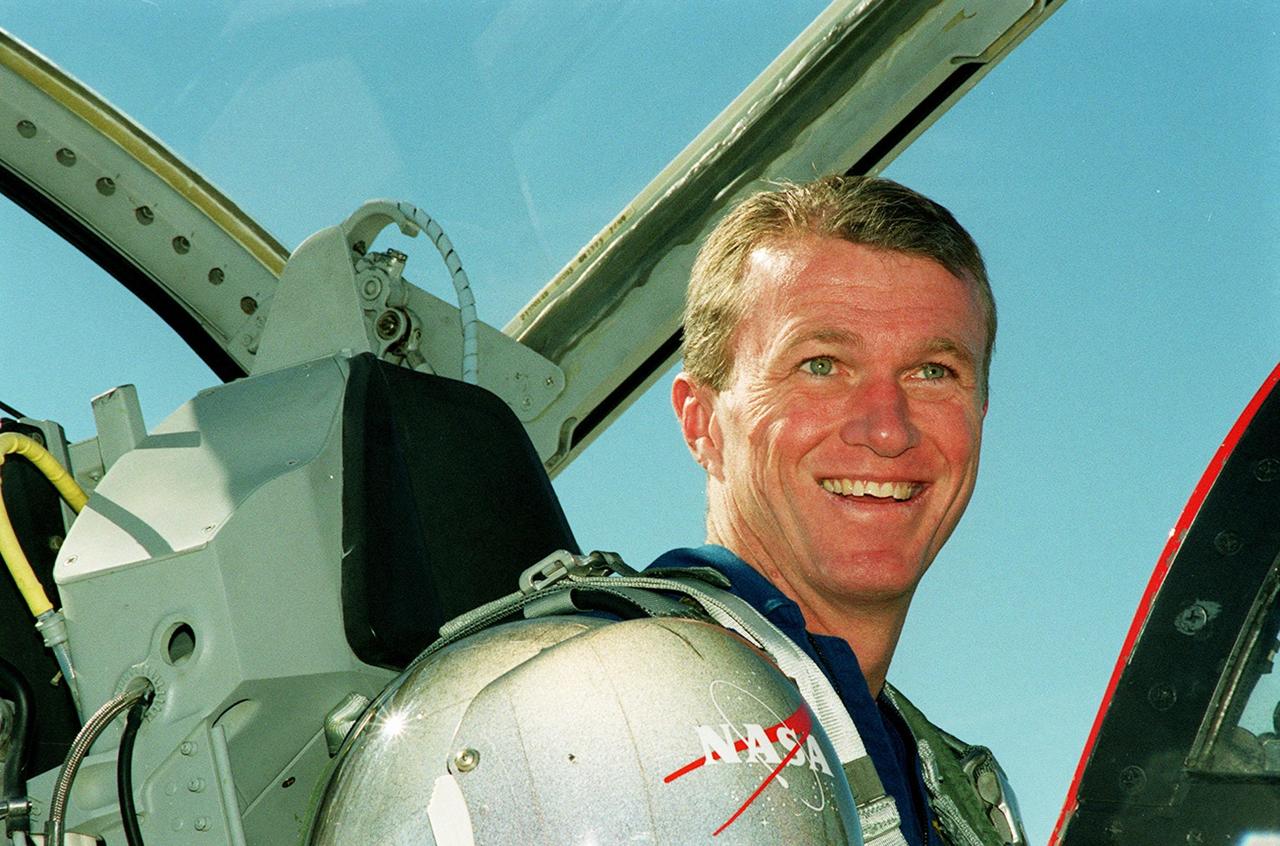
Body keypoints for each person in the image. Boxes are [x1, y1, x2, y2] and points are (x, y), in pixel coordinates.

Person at [656, 174, 1024, 845]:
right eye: (821, 365)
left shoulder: (951, 795)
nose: (888, 429)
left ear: (980, 414)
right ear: (701, 422)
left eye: (933, 372)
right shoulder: (623, 714)